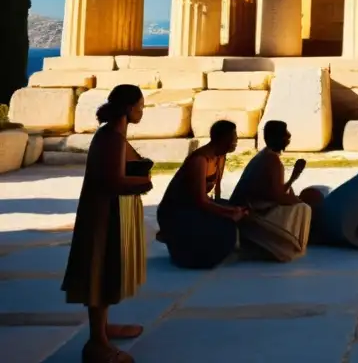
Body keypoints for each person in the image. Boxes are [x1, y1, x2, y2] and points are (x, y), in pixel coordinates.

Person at [62, 84, 153, 363]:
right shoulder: (111, 138)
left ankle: (102, 328)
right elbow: (113, 181)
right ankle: (97, 343)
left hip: (110, 211)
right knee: (99, 272)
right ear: (128, 108)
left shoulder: (114, 135)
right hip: (103, 214)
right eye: (140, 106)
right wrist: (143, 183)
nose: (142, 111)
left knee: (108, 271)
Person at [156, 120, 247, 269]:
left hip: (195, 206)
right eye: (233, 136)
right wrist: (229, 213)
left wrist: (232, 208)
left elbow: (215, 194)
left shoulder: (220, 156)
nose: (236, 140)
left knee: (238, 209)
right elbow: (200, 200)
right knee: (227, 222)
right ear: (223, 139)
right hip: (178, 211)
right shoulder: (200, 159)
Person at [229, 121, 312, 262]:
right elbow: (277, 196)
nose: (289, 136)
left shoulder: (265, 155)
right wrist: (298, 201)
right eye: (285, 133)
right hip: (250, 215)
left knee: (294, 198)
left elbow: (275, 191)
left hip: (253, 208)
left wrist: (294, 177)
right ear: (277, 137)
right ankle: (286, 247)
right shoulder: (271, 159)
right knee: (304, 208)